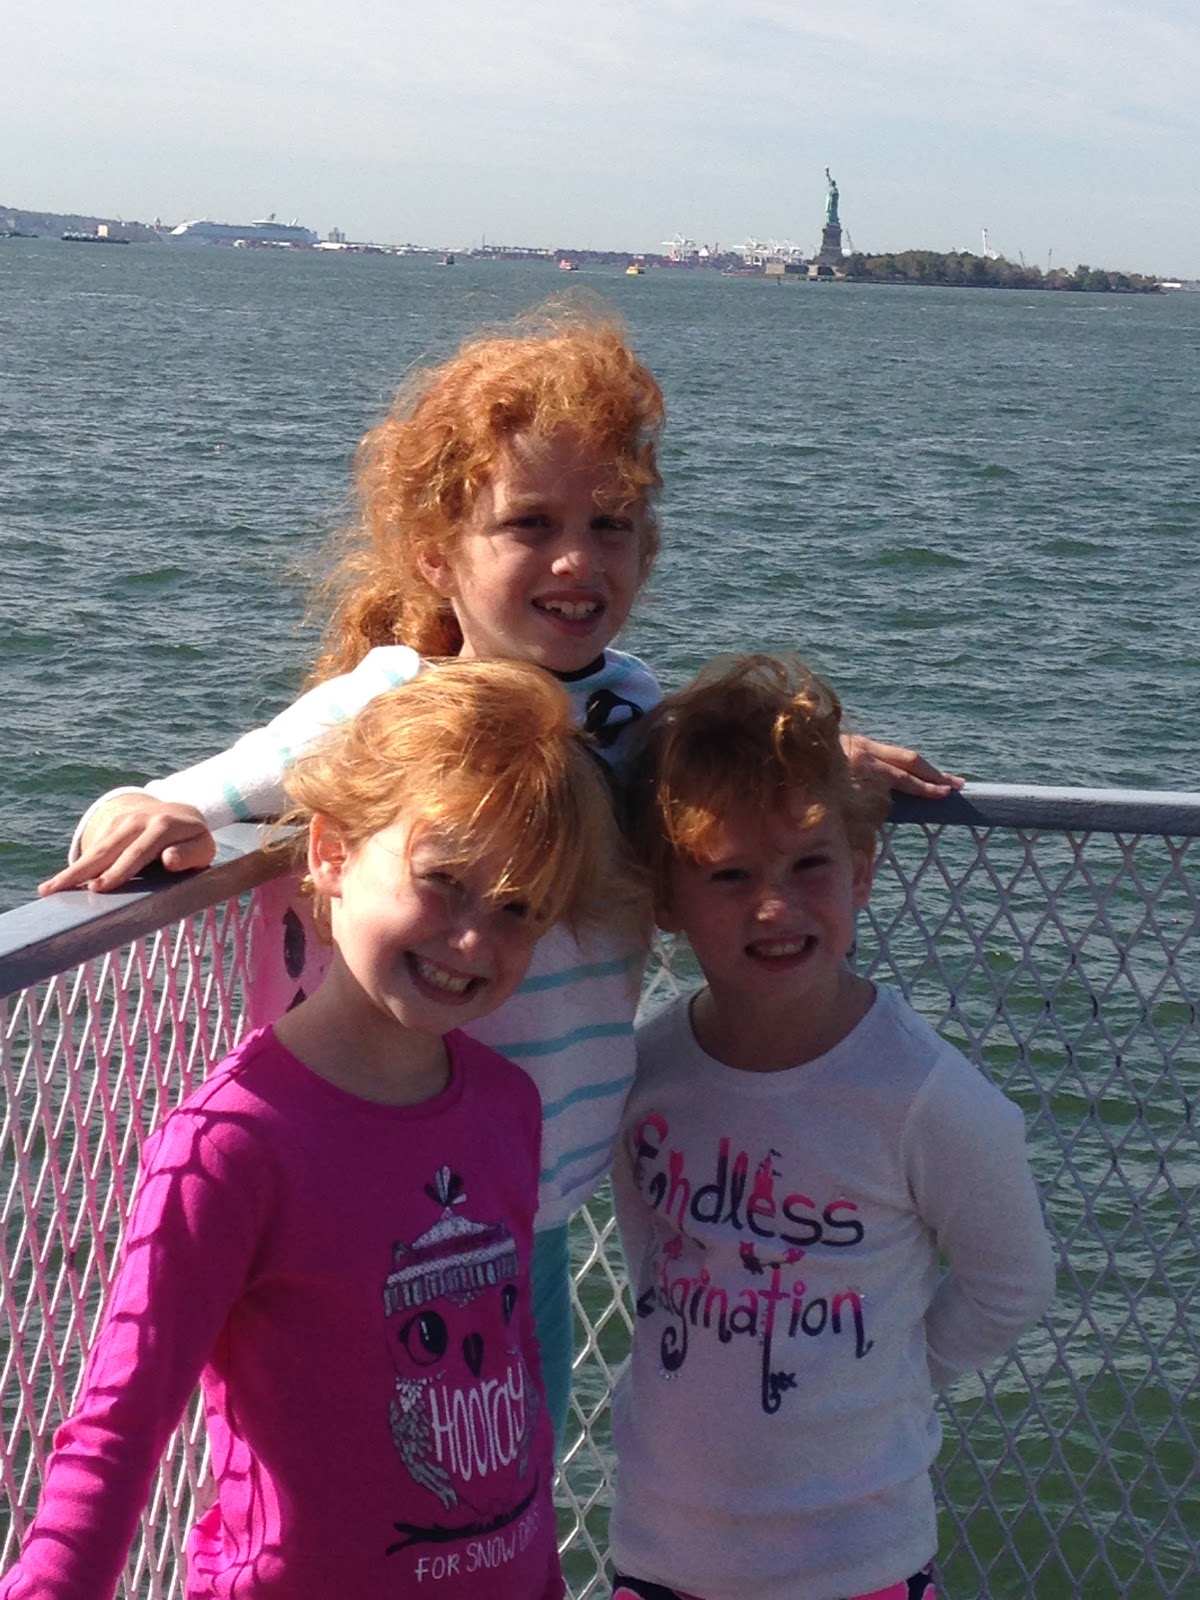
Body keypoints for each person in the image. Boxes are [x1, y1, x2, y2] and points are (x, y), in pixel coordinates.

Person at [38, 308, 959, 1438]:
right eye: (531, 523)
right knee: (348, 1465)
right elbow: (207, 790)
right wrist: (146, 813)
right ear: (439, 554)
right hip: (378, 1187)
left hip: (536, 1211)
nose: (579, 560)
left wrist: (805, 764)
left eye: (611, 523)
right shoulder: (389, 704)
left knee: (505, 1477)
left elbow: (702, 781)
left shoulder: (631, 714)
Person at [1, 660, 637, 1600]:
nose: (474, 941)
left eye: (516, 911)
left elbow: (512, 1389)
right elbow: (119, 1429)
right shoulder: (233, 1141)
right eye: (444, 881)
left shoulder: (507, 1105)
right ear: (332, 854)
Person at [609, 654, 1055, 1600]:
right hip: (660, 1549)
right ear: (664, 904)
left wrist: (891, 1371)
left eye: (809, 864)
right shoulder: (644, 1071)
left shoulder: (923, 1094)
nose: (775, 905)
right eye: (729, 876)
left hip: (857, 1561)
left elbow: (1011, 1281)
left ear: (861, 869)